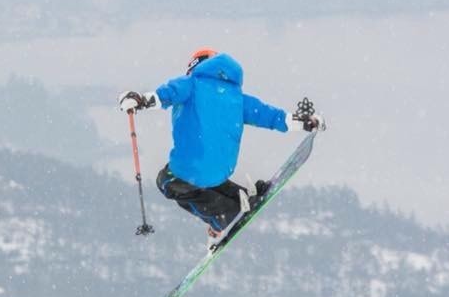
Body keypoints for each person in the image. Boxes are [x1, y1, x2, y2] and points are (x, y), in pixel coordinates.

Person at [119, 48, 321, 239]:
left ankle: (223, 216)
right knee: (206, 177)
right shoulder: (237, 97)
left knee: (167, 181)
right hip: (222, 171)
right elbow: (269, 115)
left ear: (194, 67)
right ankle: (241, 198)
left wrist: (140, 100)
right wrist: (301, 122)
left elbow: (167, 93)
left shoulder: (191, 84)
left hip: (192, 168)